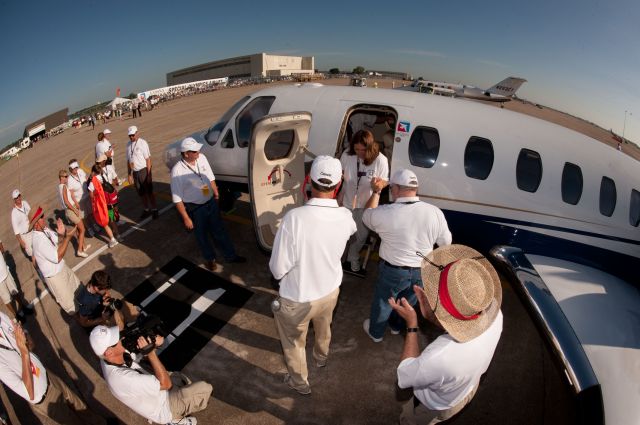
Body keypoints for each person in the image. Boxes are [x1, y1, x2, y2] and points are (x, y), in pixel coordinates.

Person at [269, 156, 357, 395]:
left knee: (294, 344)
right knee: (324, 327)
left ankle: (300, 382)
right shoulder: (346, 217)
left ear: (309, 181)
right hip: (330, 292)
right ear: (338, 186)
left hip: (298, 298)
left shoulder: (293, 219)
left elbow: (277, 269)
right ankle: (320, 357)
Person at [389, 244, 503, 424]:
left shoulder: (440, 356)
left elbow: (404, 375)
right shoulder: (496, 314)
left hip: (433, 407)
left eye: (432, 291)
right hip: (467, 390)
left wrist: (412, 324)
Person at [362, 169, 452, 342]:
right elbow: (446, 243)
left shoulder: (385, 213)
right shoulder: (435, 212)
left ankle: (376, 333)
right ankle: (396, 327)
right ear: (416, 189)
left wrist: (377, 191)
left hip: (393, 271)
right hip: (421, 271)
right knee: (407, 303)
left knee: (384, 301)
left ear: (395, 188)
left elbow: (366, 215)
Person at [90, 325, 212, 425]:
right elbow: (165, 384)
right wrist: (151, 352)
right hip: (163, 407)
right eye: (117, 339)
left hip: (154, 393)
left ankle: (176, 409)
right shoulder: (120, 378)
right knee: (204, 389)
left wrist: (154, 343)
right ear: (109, 352)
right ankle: (173, 421)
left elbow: (136, 356)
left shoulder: (108, 358)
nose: (121, 338)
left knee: (182, 379)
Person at [0, 312, 108, 425]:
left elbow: (31, 345)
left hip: (48, 376)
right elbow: (29, 393)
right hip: (45, 398)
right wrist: (23, 351)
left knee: (80, 406)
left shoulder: (2, 318)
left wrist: (26, 337)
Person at [170, 137, 245, 271]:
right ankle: (210, 259)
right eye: (195, 151)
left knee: (219, 230)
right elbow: (177, 198)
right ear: (186, 153)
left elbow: (210, 177)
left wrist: (216, 194)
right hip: (196, 208)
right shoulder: (177, 171)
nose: (198, 152)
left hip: (211, 202)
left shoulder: (202, 158)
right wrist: (186, 218)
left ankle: (231, 255)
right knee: (202, 235)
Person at [339, 129, 389, 273]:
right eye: (356, 149)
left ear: (370, 147)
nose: (359, 152)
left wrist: (379, 185)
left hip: (366, 204)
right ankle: (338, 261)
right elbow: (341, 175)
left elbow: (385, 180)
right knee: (343, 234)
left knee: (360, 236)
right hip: (347, 202)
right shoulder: (347, 155)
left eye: (363, 149)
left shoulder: (380, 160)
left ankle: (352, 259)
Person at [30, 207, 81, 315]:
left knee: (79, 291)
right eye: (41, 217)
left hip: (63, 268)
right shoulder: (39, 241)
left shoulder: (45, 230)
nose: (44, 218)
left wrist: (62, 235)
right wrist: (68, 238)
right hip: (56, 277)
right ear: (35, 224)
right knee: (72, 306)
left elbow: (58, 243)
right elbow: (57, 257)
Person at [126, 126, 158, 219]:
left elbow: (148, 160)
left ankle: (155, 209)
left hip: (143, 170)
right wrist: (129, 174)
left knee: (149, 192)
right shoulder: (128, 145)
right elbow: (128, 161)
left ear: (137, 133)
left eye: (133, 135)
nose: (131, 137)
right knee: (141, 193)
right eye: (130, 136)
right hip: (135, 172)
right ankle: (147, 209)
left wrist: (149, 174)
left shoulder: (142, 143)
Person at [58, 170, 90, 257]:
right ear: (61, 177)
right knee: (82, 229)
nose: (67, 177)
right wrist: (74, 209)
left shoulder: (60, 186)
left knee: (78, 228)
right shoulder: (64, 186)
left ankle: (83, 246)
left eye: (67, 176)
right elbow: (66, 201)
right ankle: (79, 251)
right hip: (70, 210)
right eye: (65, 176)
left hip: (70, 209)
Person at [0, 240, 32, 322]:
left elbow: (1, 247)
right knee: (6, 299)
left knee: (15, 291)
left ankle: (23, 307)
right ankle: (16, 315)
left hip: (5, 271)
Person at [88, 164, 119, 247]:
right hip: (108, 202)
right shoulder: (103, 176)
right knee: (111, 219)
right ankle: (118, 235)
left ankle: (112, 239)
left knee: (104, 223)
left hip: (101, 204)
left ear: (93, 172)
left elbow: (91, 195)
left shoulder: (93, 182)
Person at [67, 159, 96, 236]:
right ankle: (89, 228)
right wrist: (76, 203)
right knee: (84, 216)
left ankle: (95, 225)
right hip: (80, 200)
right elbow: (72, 194)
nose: (76, 169)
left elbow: (86, 180)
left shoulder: (80, 171)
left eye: (77, 167)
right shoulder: (69, 180)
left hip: (87, 195)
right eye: (74, 168)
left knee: (91, 212)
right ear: (70, 169)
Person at [10, 189, 33, 258]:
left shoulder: (25, 203)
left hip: (32, 230)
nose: (18, 198)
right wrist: (21, 242)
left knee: (39, 249)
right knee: (32, 255)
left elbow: (31, 214)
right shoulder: (14, 213)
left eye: (19, 196)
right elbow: (16, 232)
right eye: (16, 198)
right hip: (25, 236)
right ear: (14, 199)